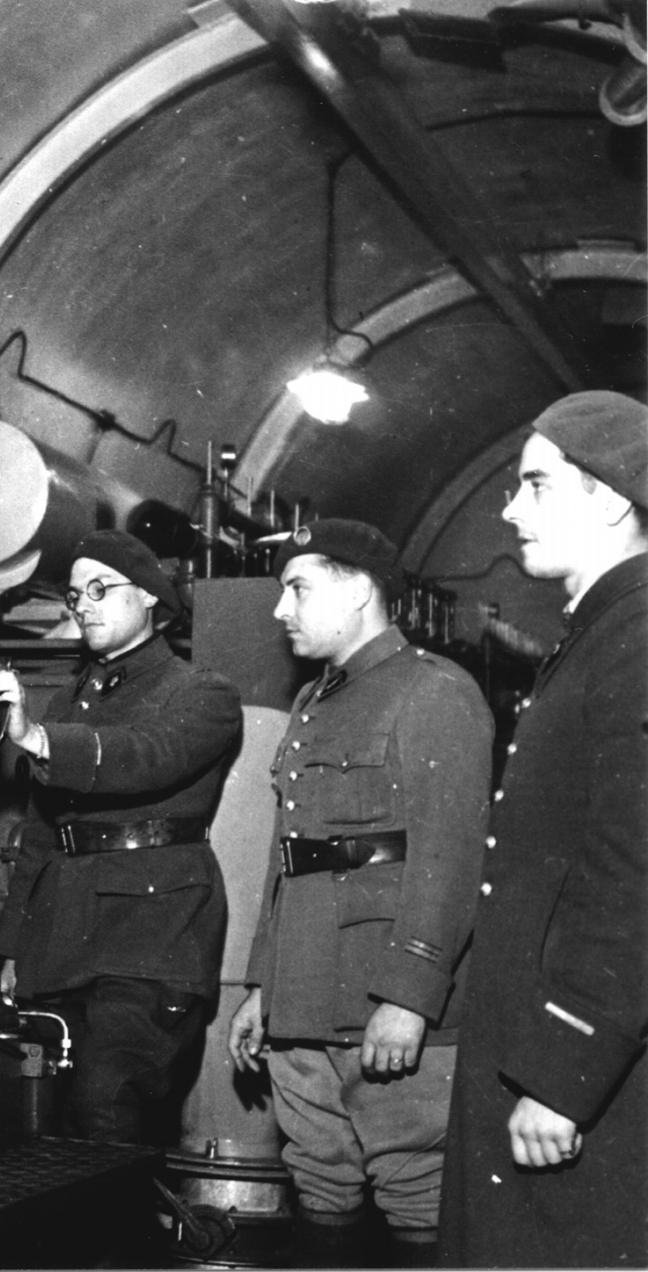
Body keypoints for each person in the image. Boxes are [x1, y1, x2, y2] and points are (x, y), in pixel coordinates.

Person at [225, 519, 491, 1266]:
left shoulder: (433, 691)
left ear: (360, 587)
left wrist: (409, 995)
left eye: (298, 588)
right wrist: (260, 987)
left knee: (416, 1188)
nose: (282, 610)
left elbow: (451, 857)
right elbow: (291, 852)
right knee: (319, 1186)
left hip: (384, 996)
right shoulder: (313, 701)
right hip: (302, 998)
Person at [439, 392, 648, 1269]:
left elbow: (634, 871)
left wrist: (563, 1074)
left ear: (607, 497)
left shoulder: (636, 637)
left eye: (535, 485)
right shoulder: (603, 632)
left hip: (573, 1076)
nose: (508, 509)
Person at [0, 529, 242, 1145]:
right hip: (65, 935)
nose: (84, 605)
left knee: (107, 1109)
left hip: (152, 938)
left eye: (100, 589)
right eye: (75, 595)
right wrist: (13, 946)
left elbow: (147, 755)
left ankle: (120, 1243)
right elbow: (40, 832)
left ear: (150, 597)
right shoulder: (73, 698)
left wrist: (44, 741)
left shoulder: (202, 694)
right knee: (52, 1121)